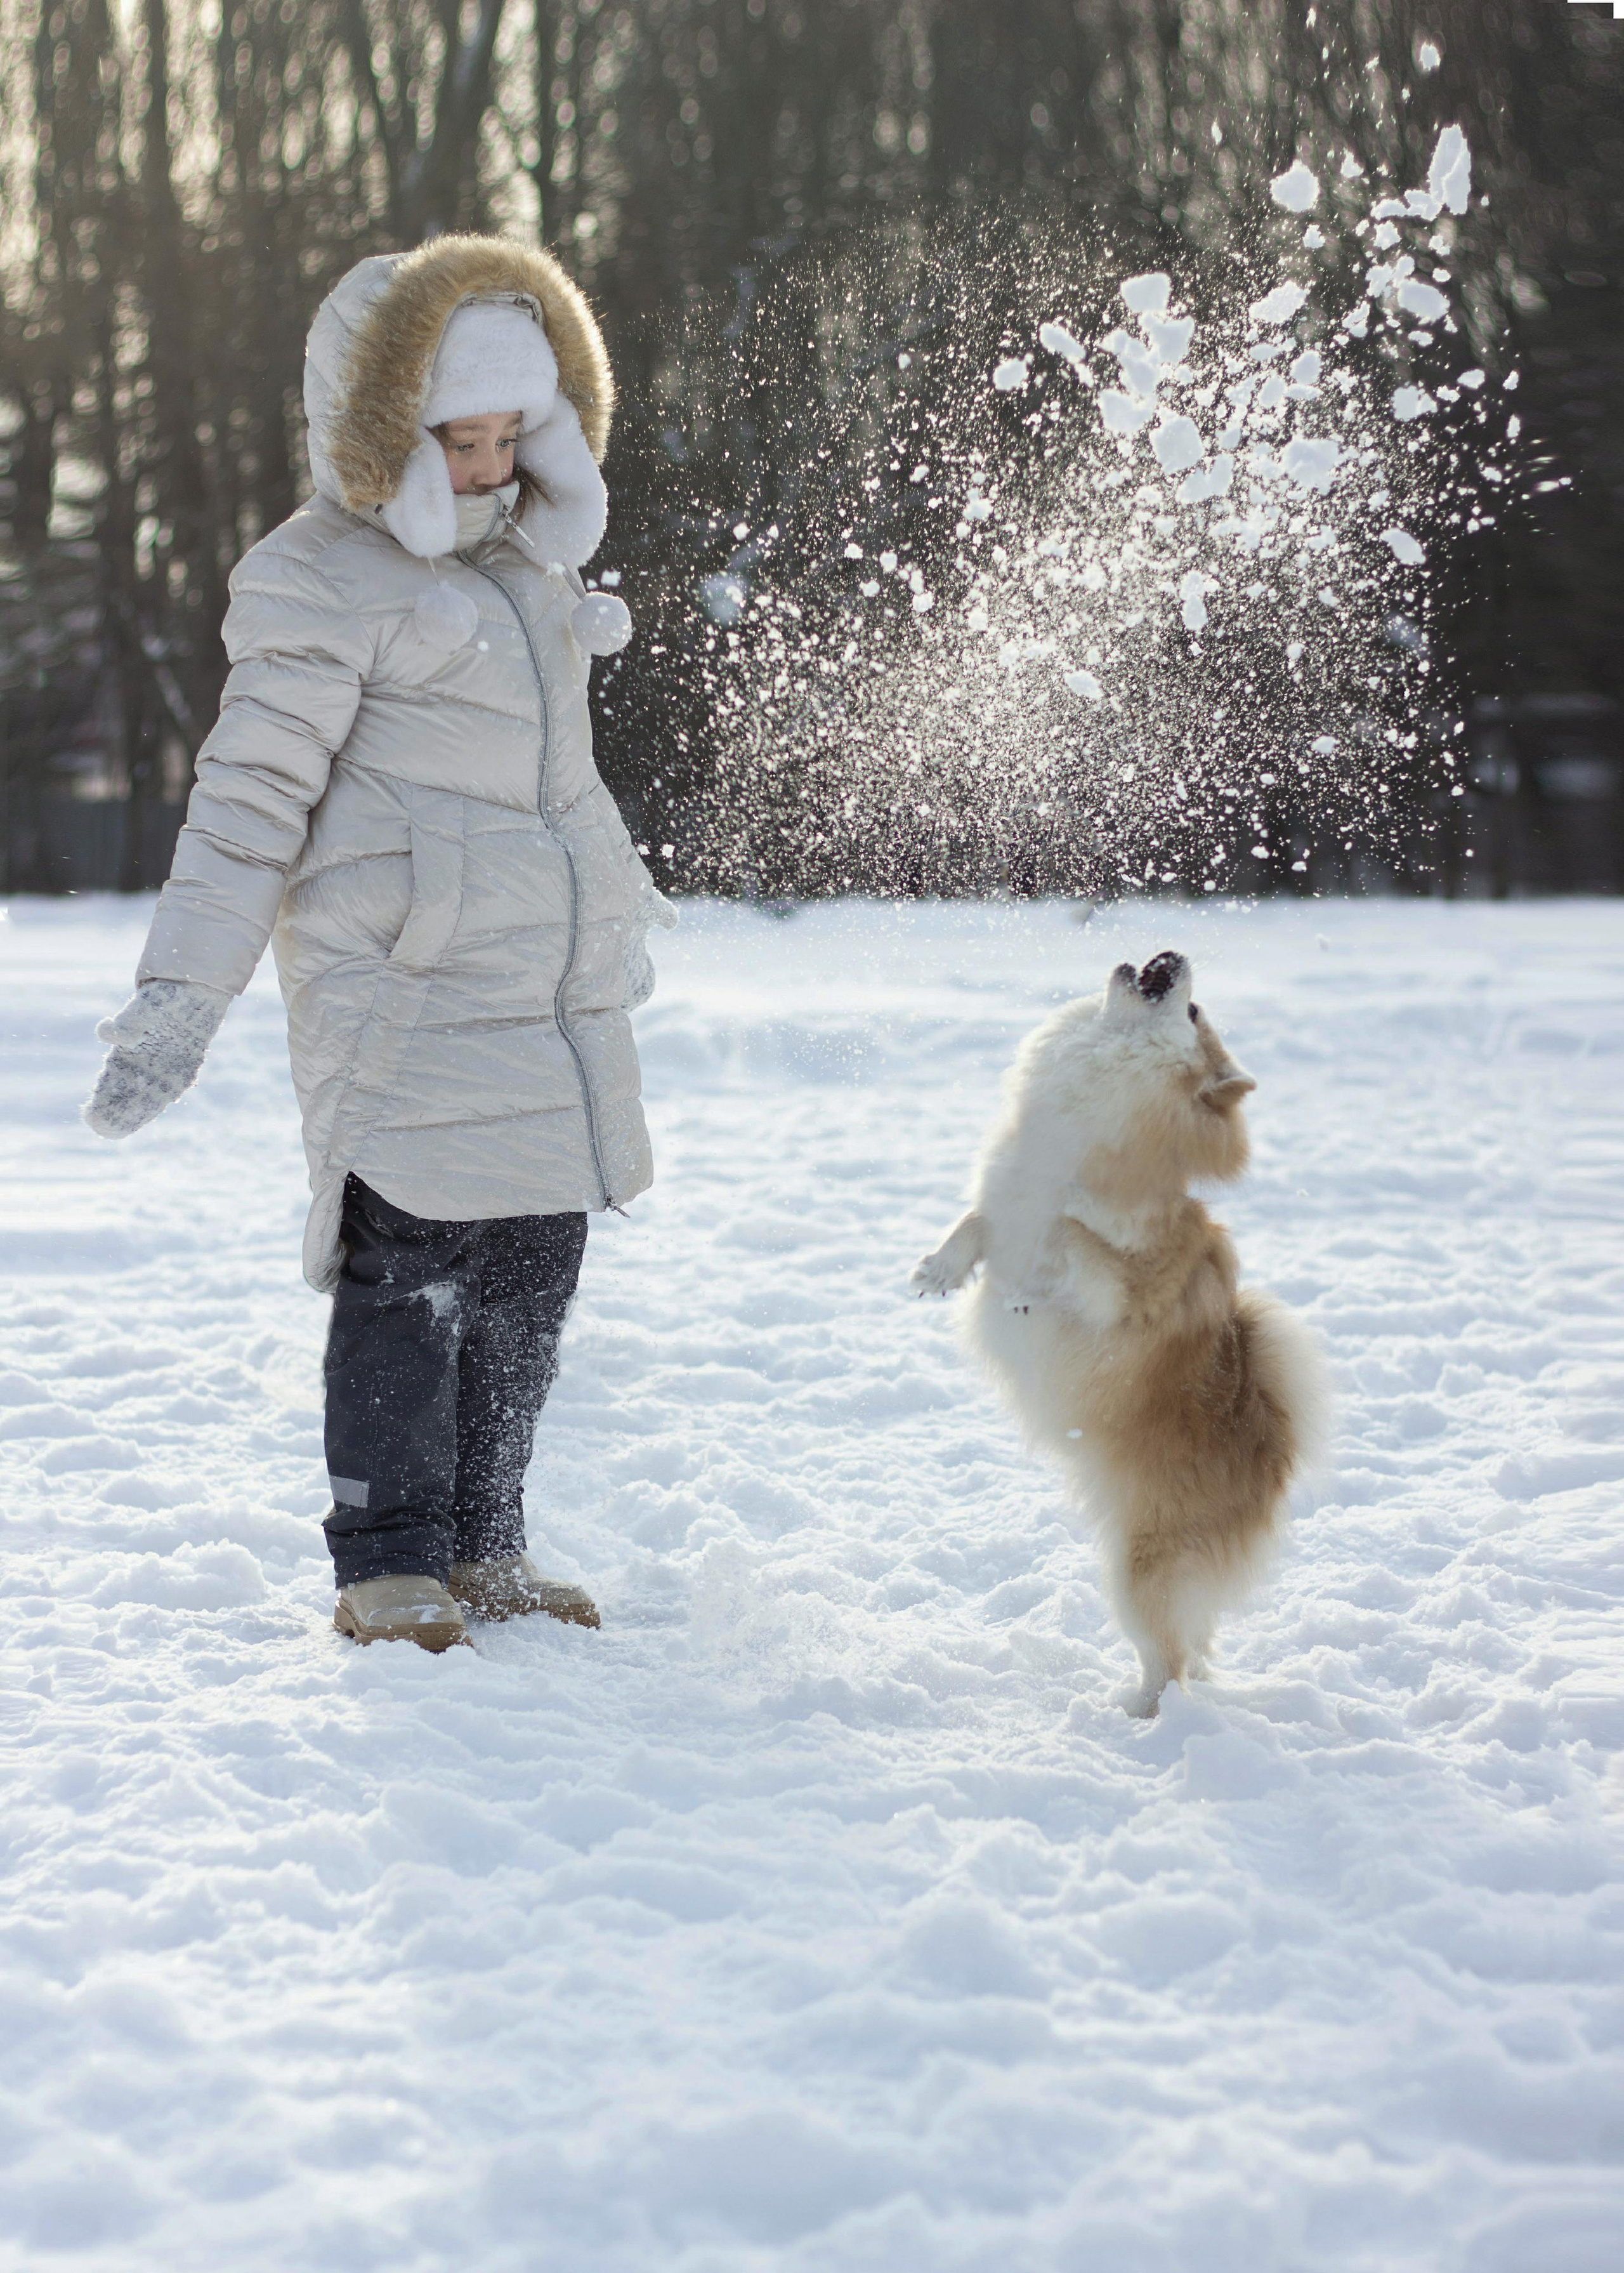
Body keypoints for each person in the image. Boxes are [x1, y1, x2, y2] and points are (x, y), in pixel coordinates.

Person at [83, 235, 673, 1653]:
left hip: (538, 995)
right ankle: (389, 1557)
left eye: (504, 437)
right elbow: (246, 803)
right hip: (401, 994)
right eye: (451, 438)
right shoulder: (316, 581)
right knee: (408, 1273)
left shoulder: (530, 570)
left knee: (532, 1265)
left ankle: (486, 1543)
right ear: (376, 429)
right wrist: (181, 993)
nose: (480, 467)